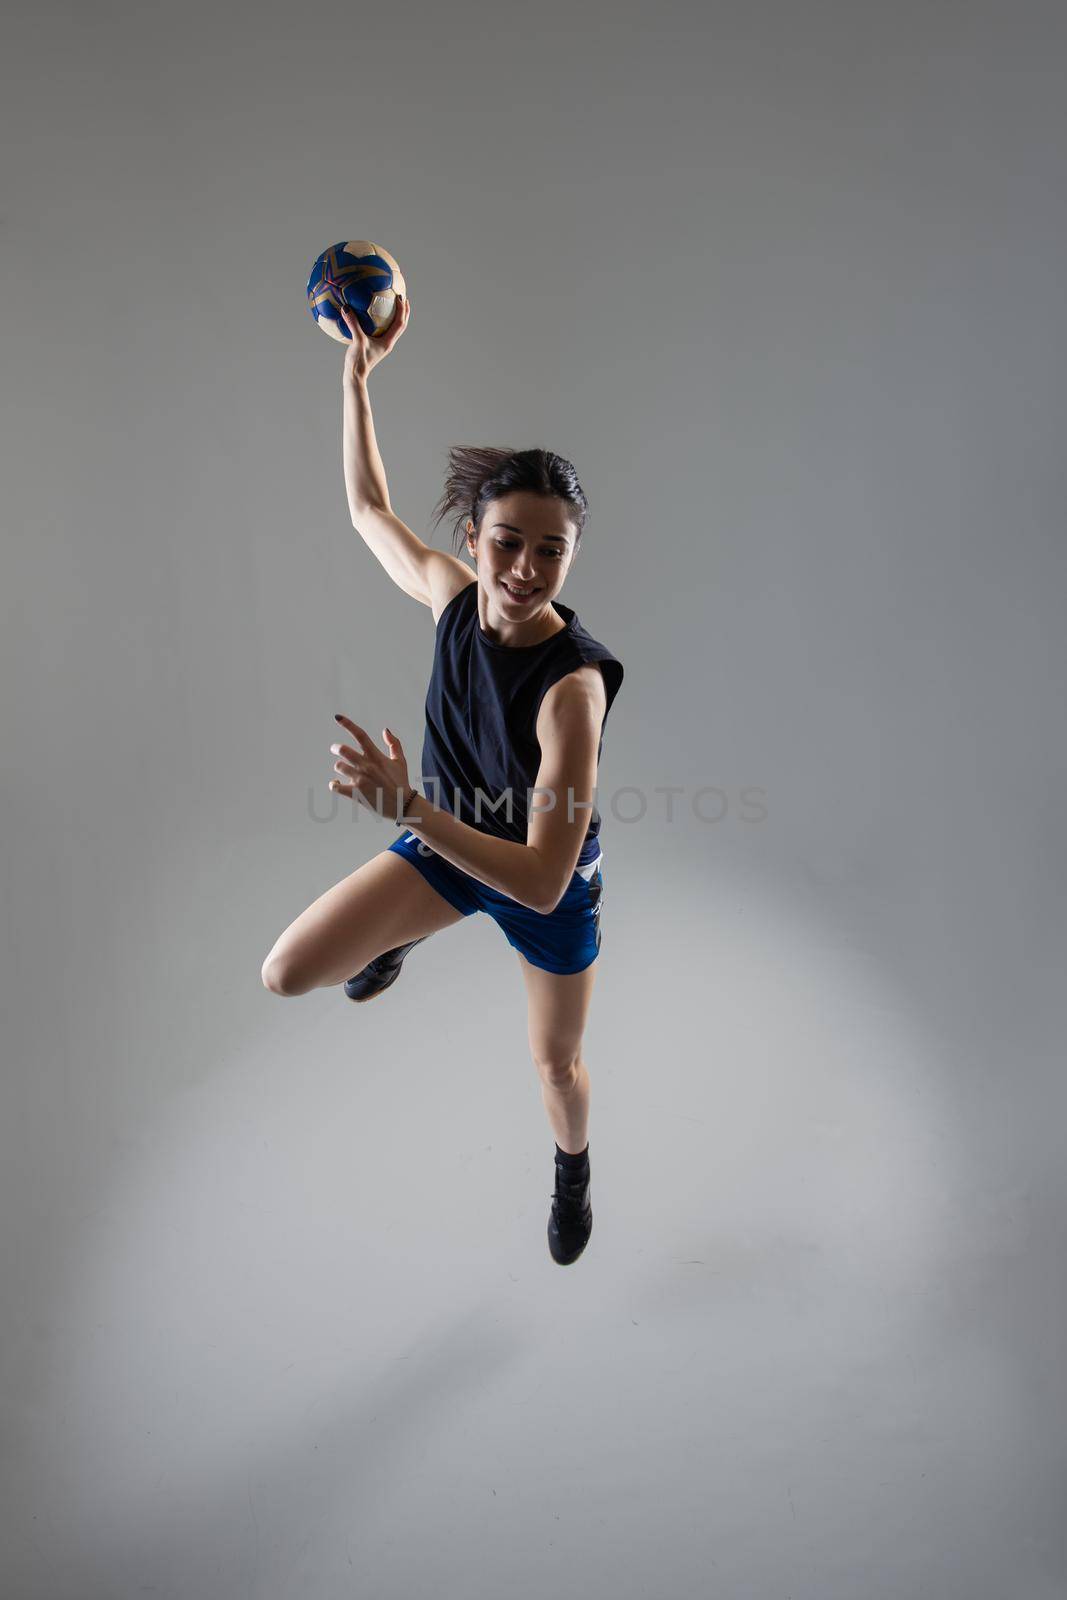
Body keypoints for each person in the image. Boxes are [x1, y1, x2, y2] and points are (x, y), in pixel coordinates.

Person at [261, 294, 624, 1265]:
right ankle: (405, 933)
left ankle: (572, 1170)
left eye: (550, 548)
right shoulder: (449, 596)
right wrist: (354, 377)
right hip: (448, 847)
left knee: (555, 1067)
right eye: (508, 540)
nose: (525, 567)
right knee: (288, 972)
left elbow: (542, 879)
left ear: (570, 555)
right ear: (472, 537)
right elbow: (367, 509)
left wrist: (406, 807)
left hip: (542, 884)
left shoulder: (570, 692)